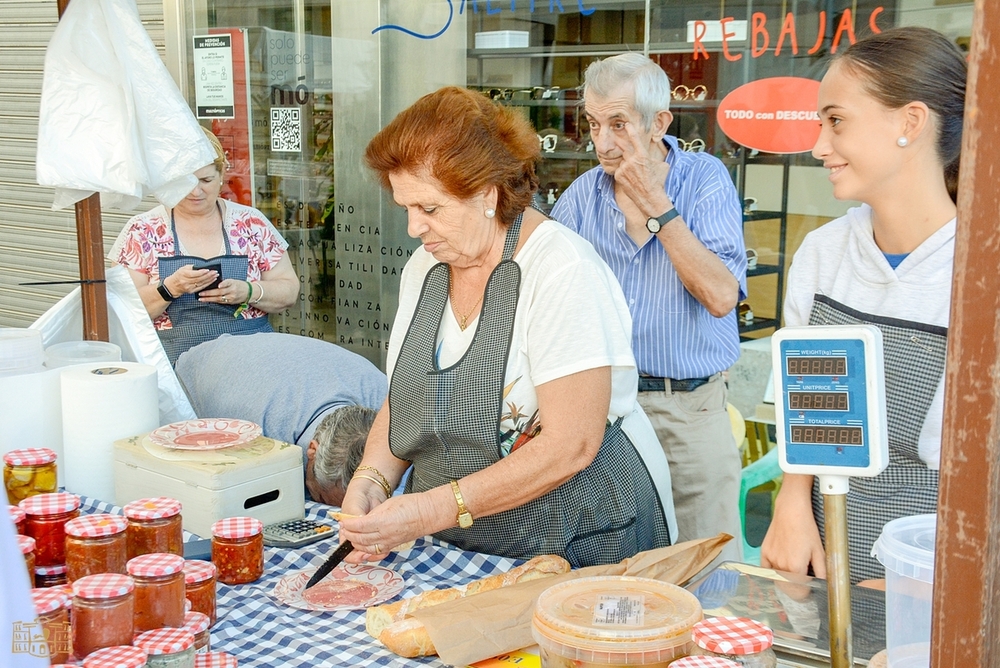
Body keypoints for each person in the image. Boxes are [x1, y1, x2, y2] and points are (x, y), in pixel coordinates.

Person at [336, 86, 677, 567]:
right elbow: (408, 392)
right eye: (405, 208)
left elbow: (570, 445)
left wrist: (430, 509)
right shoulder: (425, 268)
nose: (414, 228)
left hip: (580, 535)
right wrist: (372, 479)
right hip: (463, 545)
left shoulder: (561, 268)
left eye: (430, 209)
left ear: (487, 194)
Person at [761, 27, 966, 584]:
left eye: (836, 121)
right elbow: (798, 409)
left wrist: (920, 570)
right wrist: (790, 506)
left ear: (910, 122)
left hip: (932, 564)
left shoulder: (976, 272)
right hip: (820, 554)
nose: (819, 146)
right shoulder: (824, 254)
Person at [550, 53, 747, 561]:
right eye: (594, 124)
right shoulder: (580, 196)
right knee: (616, 568)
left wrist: (659, 207)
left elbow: (722, 296)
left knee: (705, 572)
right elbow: (544, 295)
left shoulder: (704, 180)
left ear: (660, 122)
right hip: (605, 412)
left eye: (618, 124)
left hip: (688, 410)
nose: (602, 142)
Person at [109, 129, 298, 365]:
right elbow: (122, 309)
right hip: (173, 362)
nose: (196, 191)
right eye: (184, 182)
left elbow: (289, 291)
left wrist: (248, 292)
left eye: (206, 180)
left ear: (221, 174)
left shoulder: (252, 223)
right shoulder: (142, 231)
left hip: (251, 360)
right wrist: (170, 288)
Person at [174, 332, 387, 506]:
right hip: (198, 375)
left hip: (283, 365)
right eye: (321, 498)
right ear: (312, 450)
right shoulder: (254, 429)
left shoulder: (387, 398)